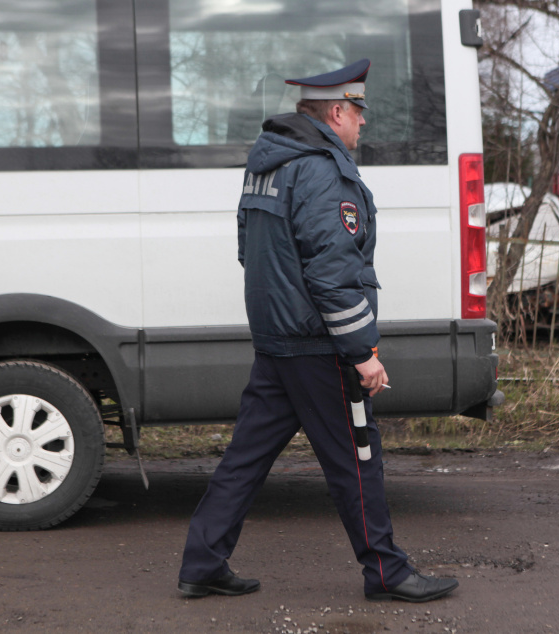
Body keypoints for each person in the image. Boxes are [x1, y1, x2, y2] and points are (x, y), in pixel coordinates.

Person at [177, 59, 459, 603]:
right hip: (318, 346)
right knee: (358, 457)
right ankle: (386, 572)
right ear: (336, 111)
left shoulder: (266, 163)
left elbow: (248, 250)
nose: (362, 124)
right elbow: (334, 273)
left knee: (246, 457)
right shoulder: (321, 170)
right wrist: (362, 353)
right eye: (358, 113)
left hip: (277, 340)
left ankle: (203, 562)